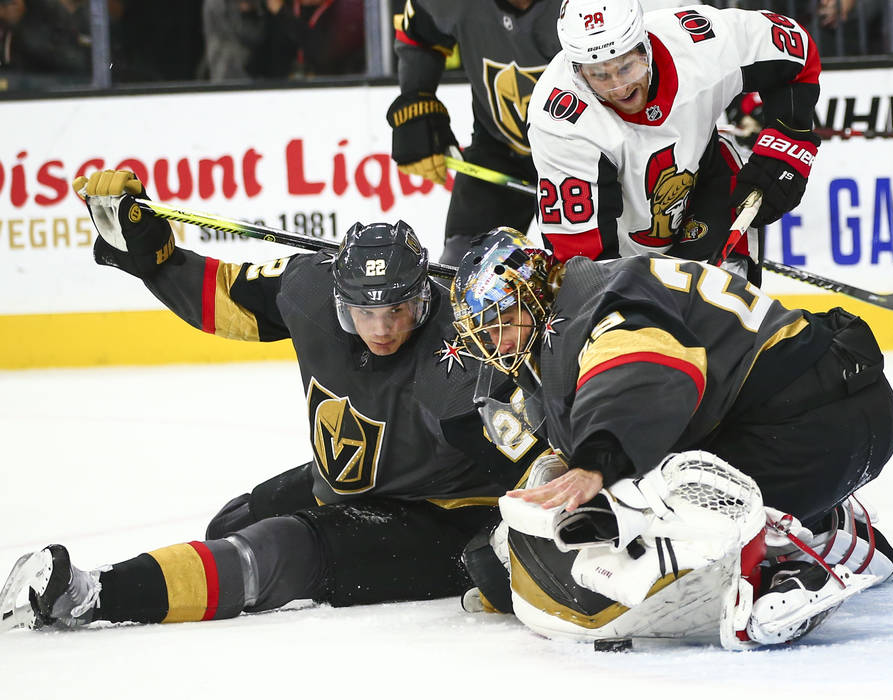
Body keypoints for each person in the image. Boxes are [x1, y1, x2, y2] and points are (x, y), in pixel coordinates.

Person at [0, 170, 547, 632]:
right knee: (230, 524)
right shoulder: (307, 288)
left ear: (423, 298)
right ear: (339, 298)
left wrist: (511, 547)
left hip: (440, 515)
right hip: (359, 480)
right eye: (365, 313)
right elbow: (223, 295)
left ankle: (94, 592)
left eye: (397, 312)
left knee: (282, 548)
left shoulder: (459, 356)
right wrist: (155, 257)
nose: (382, 329)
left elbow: (540, 465)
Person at [448, 228, 893, 646]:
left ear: (533, 291)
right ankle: (821, 519)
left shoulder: (594, 303)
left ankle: (804, 557)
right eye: (484, 330)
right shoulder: (573, 303)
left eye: (502, 320)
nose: (497, 341)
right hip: (823, 413)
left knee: (662, 508)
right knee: (637, 493)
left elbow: (650, 371)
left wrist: (598, 458)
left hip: (818, 423)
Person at [527, 0, 822, 285]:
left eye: (627, 67)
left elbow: (798, 51)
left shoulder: (702, 44)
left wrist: (786, 148)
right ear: (577, 71)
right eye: (600, 75)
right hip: (619, 258)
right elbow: (584, 271)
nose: (620, 87)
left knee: (725, 327)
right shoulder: (560, 124)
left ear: (645, 46)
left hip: (709, 196)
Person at [386, 0, 562, 266]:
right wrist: (416, 100)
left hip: (583, 158)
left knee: (585, 275)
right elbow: (419, 32)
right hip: (498, 149)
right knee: (461, 268)